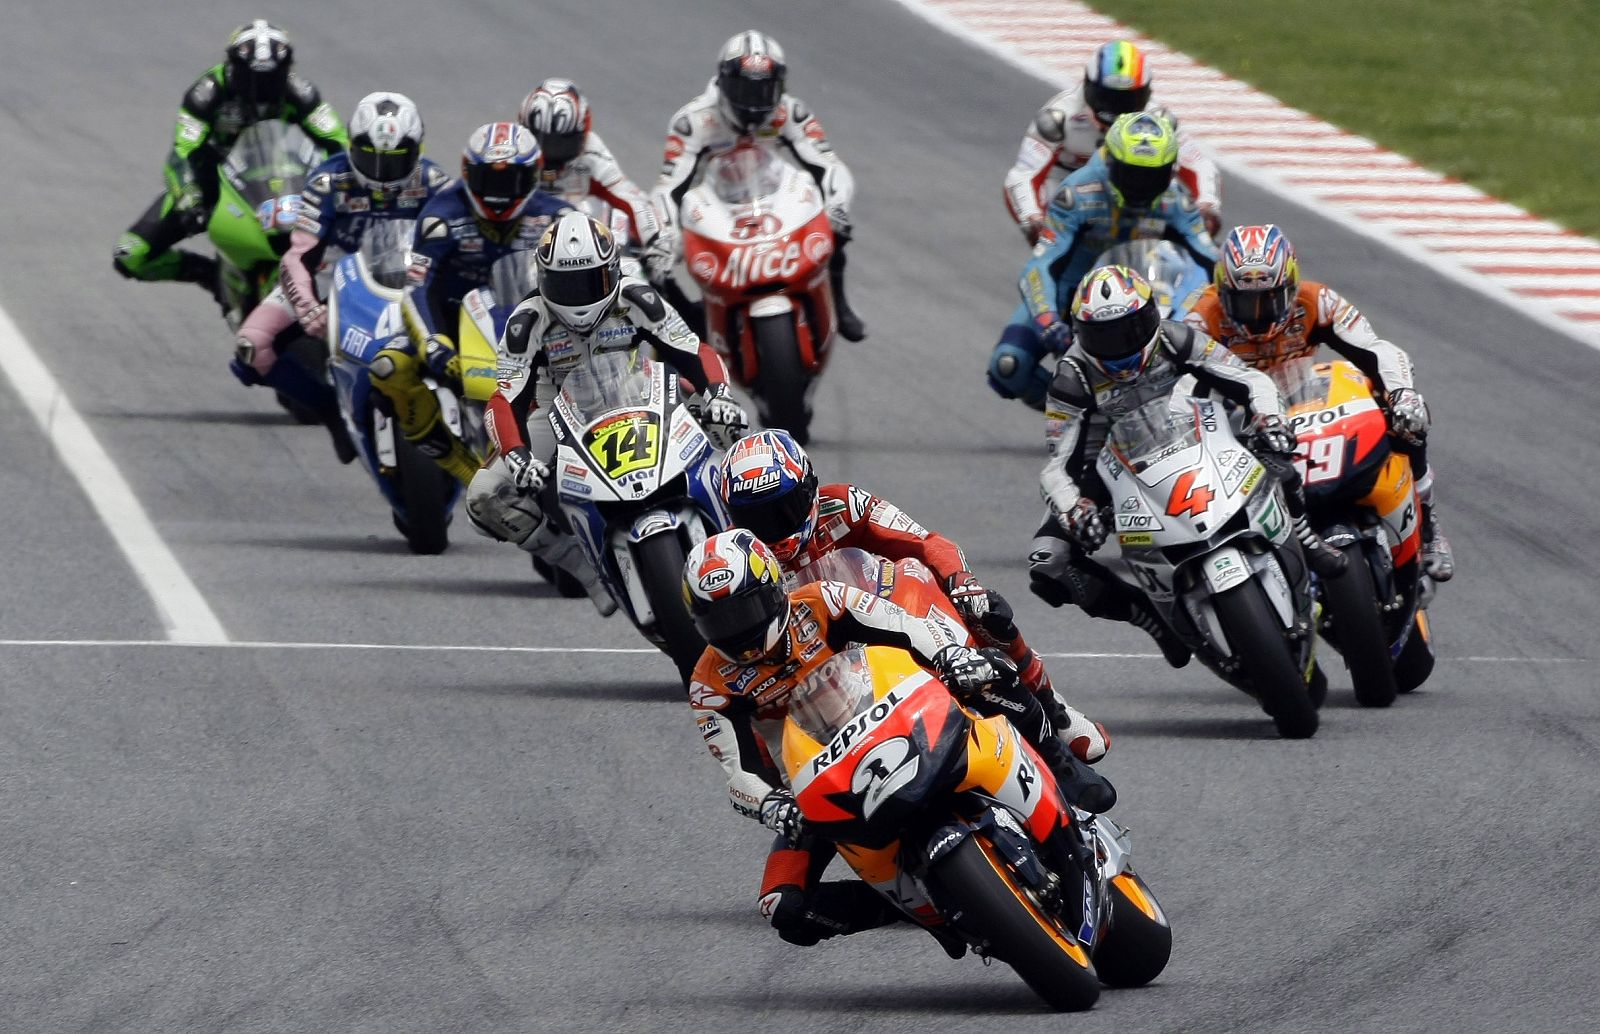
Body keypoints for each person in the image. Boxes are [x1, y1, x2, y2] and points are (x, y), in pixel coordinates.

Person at [683, 529, 1112, 951]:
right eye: (720, 621)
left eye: (747, 609)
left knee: (992, 674)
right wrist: (772, 806)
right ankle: (920, 907)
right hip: (819, 783)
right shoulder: (709, 684)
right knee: (783, 907)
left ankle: (1057, 766)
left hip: (898, 711)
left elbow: (905, 626)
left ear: (774, 589)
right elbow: (737, 773)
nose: (740, 631)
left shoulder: (824, 600)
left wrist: (952, 656)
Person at [1029, 264, 1348, 668]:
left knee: (1272, 447)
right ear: (1080, 332)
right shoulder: (1071, 377)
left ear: (1150, 317)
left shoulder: (1175, 338)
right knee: (1048, 561)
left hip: (1193, 432)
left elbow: (1248, 379)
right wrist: (1075, 507)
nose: (1118, 346)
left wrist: (1270, 418)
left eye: (1129, 329)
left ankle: (1305, 539)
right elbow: (1057, 465)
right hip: (1109, 465)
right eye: (1102, 335)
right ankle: (1150, 618)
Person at [715, 429, 1093, 753]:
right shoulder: (734, 562)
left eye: (784, 511)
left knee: (983, 609)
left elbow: (926, 543)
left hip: (890, 627)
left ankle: (1050, 706)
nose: (775, 530)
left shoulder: (844, 506)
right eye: (757, 520)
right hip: (815, 674)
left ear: (810, 489)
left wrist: (963, 583)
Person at [463, 211, 749, 612]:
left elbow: (692, 350)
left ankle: (754, 537)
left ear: (612, 271)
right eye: (563, 283)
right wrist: (517, 454)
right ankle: (582, 568)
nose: (577, 296)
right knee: (485, 496)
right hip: (558, 414)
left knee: (730, 425)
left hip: (641, 393)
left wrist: (719, 394)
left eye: (588, 281)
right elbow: (502, 400)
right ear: (542, 278)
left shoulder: (638, 298)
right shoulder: (526, 322)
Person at [1184, 225, 1454, 581]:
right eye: (1244, 301)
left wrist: (1401, 392)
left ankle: (1429, 524)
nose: (1258, 314)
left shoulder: (1316, 300)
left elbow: (1376, 349)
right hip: (1244, 421)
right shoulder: (1201, 318)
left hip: (1308, 403)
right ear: (1222, 292)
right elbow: (1184, 387)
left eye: (1269, 298)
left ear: (1291, 286)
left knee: (1409, 416)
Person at [229, 91, 449, 462]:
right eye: (371, 158)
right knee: (251, 346)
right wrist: (308, 306)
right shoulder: (327, 181)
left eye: (394, 161)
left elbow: (454, 242)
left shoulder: (433, 180)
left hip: (411, 278)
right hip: (334, 275)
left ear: (416, 149)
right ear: (351, 146)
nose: (381, 173)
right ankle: (331, 411)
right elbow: (297, 257)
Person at [367, 122, 572, 486]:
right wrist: (433, 343)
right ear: (467, 173)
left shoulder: (559, 216)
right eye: (489, 181)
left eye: (512, 181)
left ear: (535, 176)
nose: (499, 193)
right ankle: (464, 467)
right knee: (388, 369)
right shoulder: (439, 216)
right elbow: (416, 287)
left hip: (533, 326)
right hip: (449, 324)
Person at [989, 110, 1216, 409]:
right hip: (1071, 298)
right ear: (1111, 162)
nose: (1142, 186)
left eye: (1153, 174)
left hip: (1149, 299)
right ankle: (1082, 418)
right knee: (1008, 366)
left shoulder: (1176, 200)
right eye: (1132, 173)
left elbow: (1209, 261)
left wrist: (1206, 313)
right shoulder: (1077, 193)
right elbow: (1039, 266)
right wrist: (1049, 322)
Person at [650, 30, 866, 342]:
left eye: (764, 90)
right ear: (723, 82)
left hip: (772, 199)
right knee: (651, 258)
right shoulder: (694, 121)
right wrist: (665, 235)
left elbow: (829, 165)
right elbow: (668, 188)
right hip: (712, 211)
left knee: (835, 224)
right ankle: (684, 332)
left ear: (780, 86)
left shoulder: (789, 113)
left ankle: (838, 299)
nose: (754, 102)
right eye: (744, 89)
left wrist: (837, 206)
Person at [113, 20, 347, 298]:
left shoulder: (301, 92)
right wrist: (190, 198)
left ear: (287, 71)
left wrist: (348, 185)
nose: (260, 88)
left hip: (285, 179)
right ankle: (209, 274)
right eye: (251, 78)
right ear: (233, 67)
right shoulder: (206, 93)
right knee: (131, 254)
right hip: (215, 183)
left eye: (271, 79)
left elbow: (338, 142)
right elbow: (182, 153)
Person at [1003, 40, 1221, 245]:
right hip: (1071, 195)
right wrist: (1033, 220)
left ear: (1146, 93)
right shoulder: (1057, 118)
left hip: (1138, 195)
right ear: (1088, 86)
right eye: (1107, 97)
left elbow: (1198, 164)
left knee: (1186, 224)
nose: (1116, 109)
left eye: (1127, 100)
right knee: (1056, 237)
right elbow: (1022, 175)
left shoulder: (1161, 122)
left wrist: (1207, 205)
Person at [517, 78, 667, 253]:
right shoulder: (514, 151)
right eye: (539, 142)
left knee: (598, 209)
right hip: (522, 247)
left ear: (582, 133)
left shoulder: (591, 152)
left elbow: (630, 197)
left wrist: (657, 241)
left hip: (580, 248)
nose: (549, 154)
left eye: (561, 145)